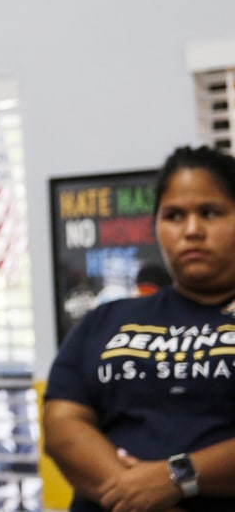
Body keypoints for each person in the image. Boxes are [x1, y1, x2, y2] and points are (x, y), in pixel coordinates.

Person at [43, 145, 235, 512]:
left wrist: (177, 479)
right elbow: (63, 423)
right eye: (174, 215)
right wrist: (135, 494)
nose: (192, 230)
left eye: (210, 213)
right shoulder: (106, 319)